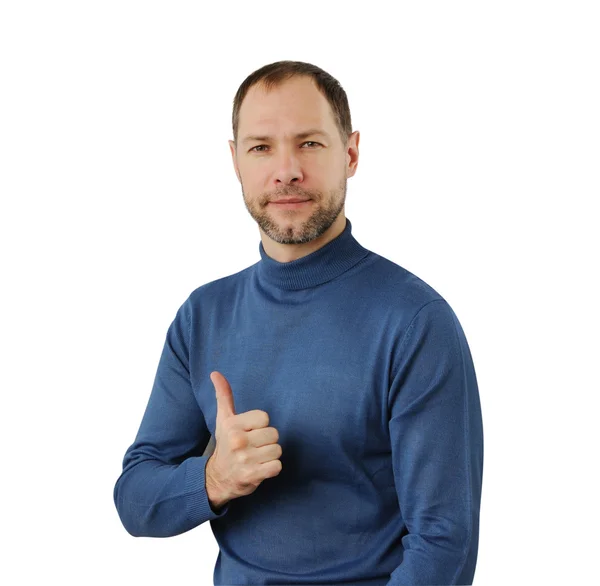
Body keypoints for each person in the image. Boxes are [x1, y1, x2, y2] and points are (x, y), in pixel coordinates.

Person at [113, 60, 484, 586]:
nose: (286, 170)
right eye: (261, 147)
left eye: (309, 143)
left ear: (350, 154)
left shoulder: (415, 322)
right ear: (236, 161)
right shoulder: (202, 316)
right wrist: (214, 479)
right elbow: (135, 500)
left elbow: (443, 544)